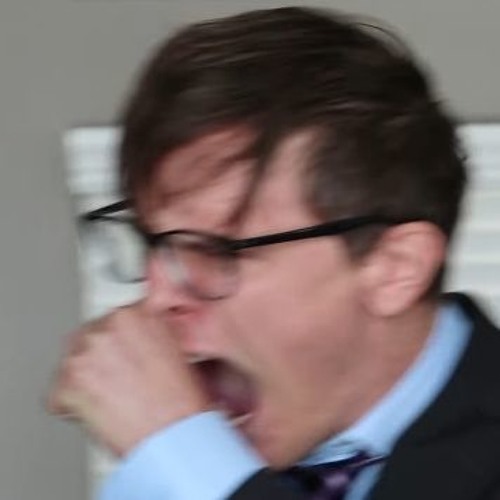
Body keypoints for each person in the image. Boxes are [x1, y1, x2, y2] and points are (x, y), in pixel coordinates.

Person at [48, 7, 500, 500]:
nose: (157, 300)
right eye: (155, 244)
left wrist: (178, 452)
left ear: (394, 269)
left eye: (216, 250)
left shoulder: (189, 470)